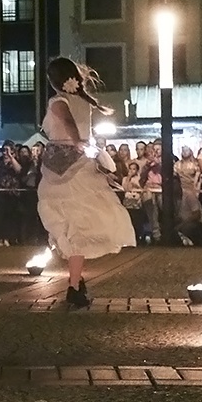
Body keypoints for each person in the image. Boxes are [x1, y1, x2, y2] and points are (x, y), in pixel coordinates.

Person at [36, 57, 135, 308]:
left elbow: (67, 120)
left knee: (68, 223)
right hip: (81, 165)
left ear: (54, 80)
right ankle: (75, 284)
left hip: (62, 169)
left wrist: (77, 139)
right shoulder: (84, 101)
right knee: (77, 226)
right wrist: (81, 143)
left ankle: (75, 285)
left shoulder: (58, 101)